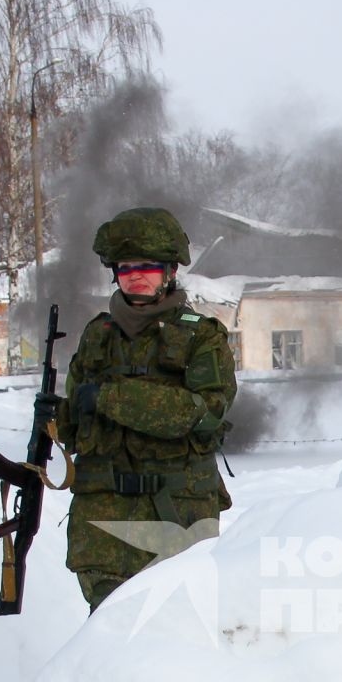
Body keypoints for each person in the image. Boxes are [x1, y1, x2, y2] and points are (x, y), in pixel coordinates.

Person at [56, 206, 238, 610]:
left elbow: (205, 411)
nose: (135, 275)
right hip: (102, 518)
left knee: (176, 629)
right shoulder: (96, 336)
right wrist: (58, 415)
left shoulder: (201, 337)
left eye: (147, 266)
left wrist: (110, 397)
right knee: (105, 628)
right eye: (125, 267)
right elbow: (76, 430)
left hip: (175, 514)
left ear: (170, 271)